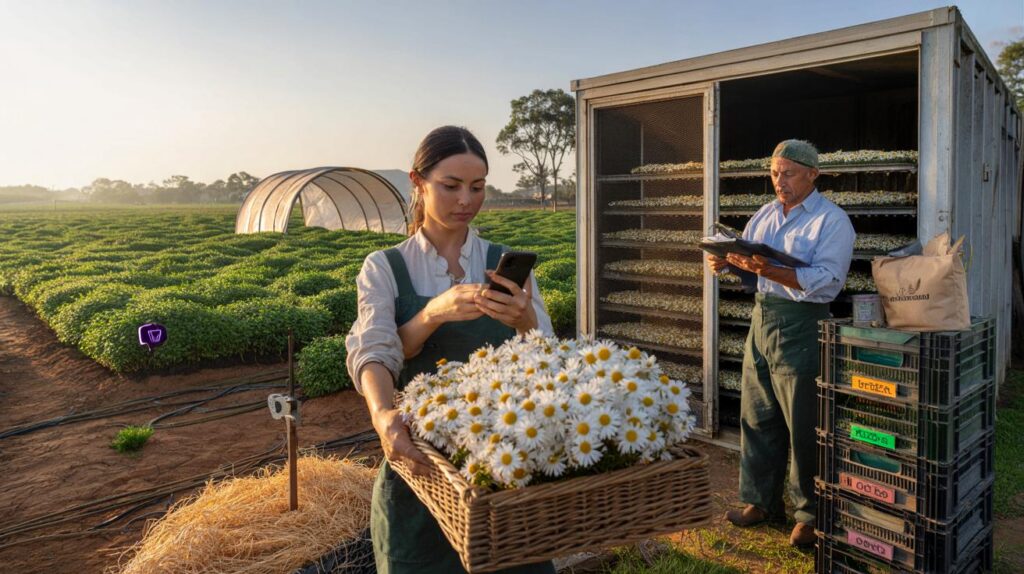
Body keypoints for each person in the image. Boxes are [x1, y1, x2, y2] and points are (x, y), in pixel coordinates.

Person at [345, 125, 556, 574]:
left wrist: (524, 320)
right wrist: (432, 314)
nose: (466, 200)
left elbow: (546, 355)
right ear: (417, 183)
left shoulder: (502, 262)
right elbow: (376, 352)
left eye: (477, 187)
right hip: (424, 466)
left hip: (503, 462)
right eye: (451, 186)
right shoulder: (385, 267)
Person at [706, 139, 855, 547]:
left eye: (788, 173)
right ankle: (760, 502)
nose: (779, 181)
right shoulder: (766, 215)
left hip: (802, 326)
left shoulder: (831, 221)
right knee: (757, 416)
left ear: (812, 174)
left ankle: (809, 514)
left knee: (804, 425)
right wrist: (727, 261)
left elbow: (827, 281)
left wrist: (771, 268)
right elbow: (755, 273)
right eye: (774, 173)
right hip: (762, 319)